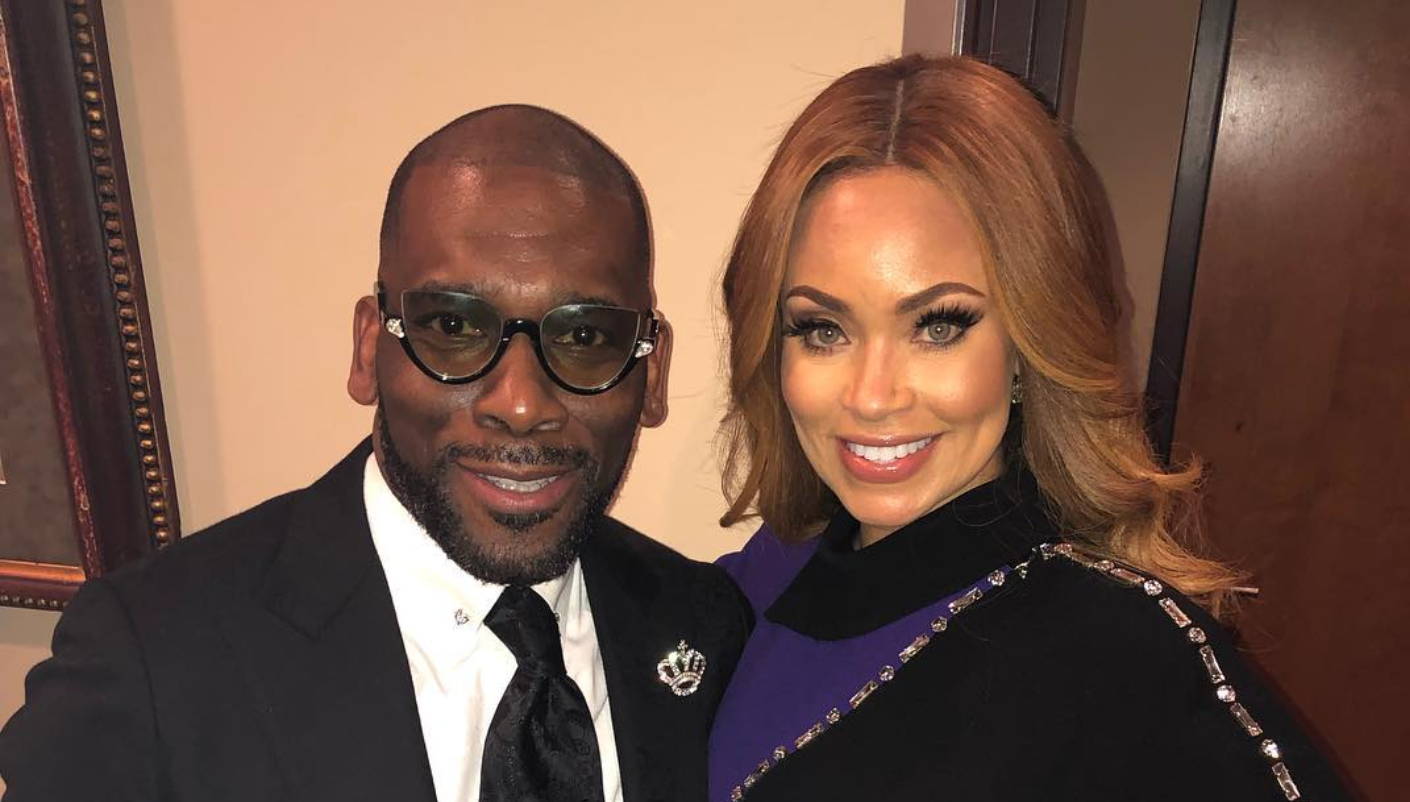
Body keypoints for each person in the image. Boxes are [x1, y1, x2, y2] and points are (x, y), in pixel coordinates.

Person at [0, 105, 750, 802]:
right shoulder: (150, 660)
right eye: (453, 327)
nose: (521, 404)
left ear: (652, 373)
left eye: (585, 336)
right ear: (368, 350)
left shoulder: (709, 628)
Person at [707, 56, 1351, 802]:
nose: (872, 396)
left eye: (938, 326)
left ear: (1027, 345)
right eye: (823, 329)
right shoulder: (761, 578)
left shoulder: (1126, 656)